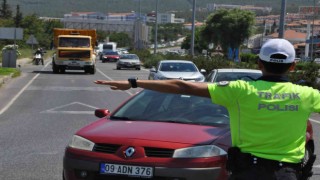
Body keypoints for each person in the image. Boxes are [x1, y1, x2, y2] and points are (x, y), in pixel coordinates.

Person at [94, 38, 319, 180]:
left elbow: (182, 86)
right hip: (287, 174)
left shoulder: (240, 90)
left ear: (258, 63)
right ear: (293, 65)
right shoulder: (308, 95)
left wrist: (133, 83)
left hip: (248, 172)